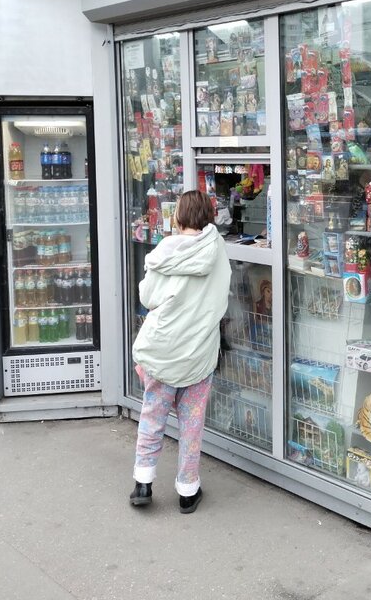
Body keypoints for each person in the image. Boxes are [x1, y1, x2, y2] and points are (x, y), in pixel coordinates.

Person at [129, 190, 231, 512]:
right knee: (191, 424)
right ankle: (188, 491)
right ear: (208, 217)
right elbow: (220, 296)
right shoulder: (217, 250)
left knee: (152, 417)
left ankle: (143, 483)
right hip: (198, 353)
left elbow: (148, 297)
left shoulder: (165, 251)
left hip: (163, 350)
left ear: (178, 217)